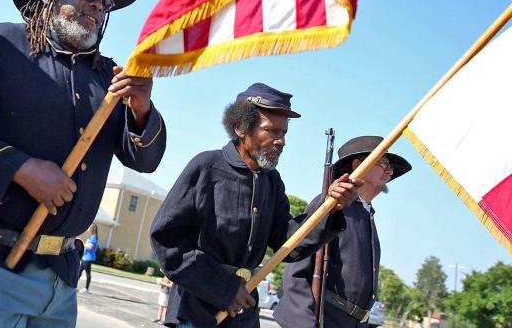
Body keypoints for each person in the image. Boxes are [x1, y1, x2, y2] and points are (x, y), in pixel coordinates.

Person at [0, 0, 167, 327]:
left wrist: (141, 107)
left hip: (60, 278)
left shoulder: (111, 81)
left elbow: (145, 159)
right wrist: (20, 168)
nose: (96, 6)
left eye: (104, 1)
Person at [150, 83, 361, 328]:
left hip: (243, 316)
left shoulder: (272, 181)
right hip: (196, 313)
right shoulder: (206, 167)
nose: (281, 141)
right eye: (271, 131)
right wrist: (224, 290)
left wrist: (330, 208)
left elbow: (288, 244)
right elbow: (166, 240)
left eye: (283, 133)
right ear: (240, 127)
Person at [274, 136, 412, 328]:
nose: (390, 170)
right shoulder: (331, 206)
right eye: (383, 163)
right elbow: (296, 272)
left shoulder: (366, 213)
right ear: (358, 165)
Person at [79, 224, 100, 293]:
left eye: (89, 227)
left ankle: (86, 289)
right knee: (78, 272)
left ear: (92, 229)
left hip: (88, 258)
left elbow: (90, 247)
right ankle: (73, 286)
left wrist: (82, 244)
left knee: (87, 273)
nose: (88, 228)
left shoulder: (94, 237)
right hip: (85, 258)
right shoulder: (92, 237)